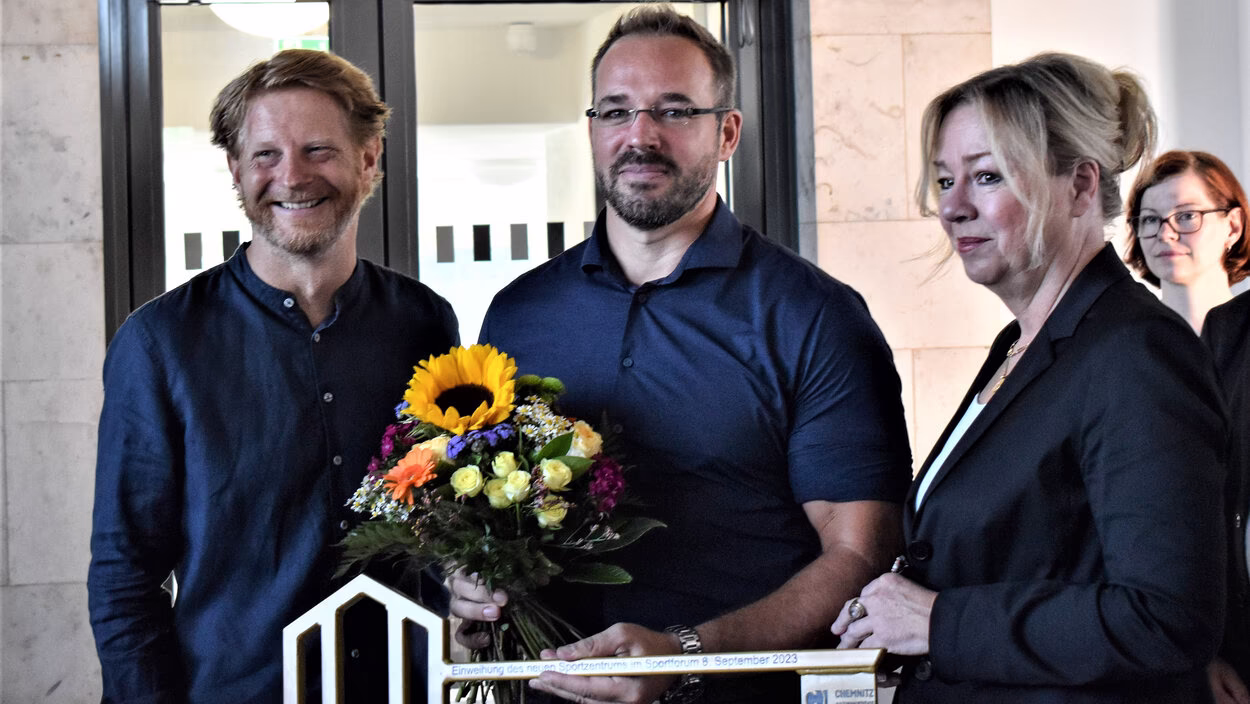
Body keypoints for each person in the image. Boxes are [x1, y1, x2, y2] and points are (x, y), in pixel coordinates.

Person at [450, 6, 912, 704]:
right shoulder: (519, 314)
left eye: (673, 110)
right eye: (616, 112)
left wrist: (689, 653)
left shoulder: (812, 316)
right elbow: (490, 509)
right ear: (592, 131)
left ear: (726, 132)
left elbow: (858, 554)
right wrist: (474, 586)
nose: (640, 136)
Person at [832, 53, 1228, 703]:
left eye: (986, 177)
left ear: (1079, 186)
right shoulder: (1023, 343)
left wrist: (938, 621)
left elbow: (1166, 617)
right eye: (943, 181)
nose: (952, 208)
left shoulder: (1137, 352)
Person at [87, 49, 459, 703]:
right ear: (235, 168)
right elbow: (126, 575)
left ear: (368, 159)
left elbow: (446, 518)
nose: (291, 176)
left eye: (318, 150)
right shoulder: (160, 342)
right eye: (265, 155)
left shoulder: (425, 323)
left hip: (404, 687)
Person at [1123, 150, 1249, 332]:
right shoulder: (1122, 343)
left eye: (1187, 215)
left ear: (1233, 226)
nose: (1166, 234)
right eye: (1150, 219)